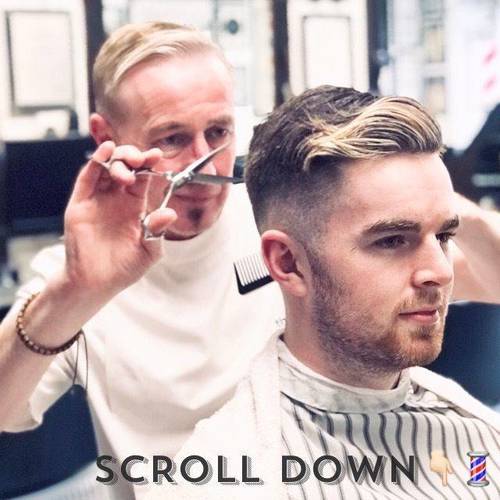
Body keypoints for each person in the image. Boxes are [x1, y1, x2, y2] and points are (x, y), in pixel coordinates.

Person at [0, 21, 498, 500]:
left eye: (218, 132)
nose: (202, 162)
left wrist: (431, 202)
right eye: (171, 138)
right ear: (105, 134)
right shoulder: (80, 278)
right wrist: (74, 293)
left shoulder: (285, 220)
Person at [159, 86, 500, 499]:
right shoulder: (221, 481)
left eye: (444, 236)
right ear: (287, 263)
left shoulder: (476, 434)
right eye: (392, 240)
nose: (442, 272)